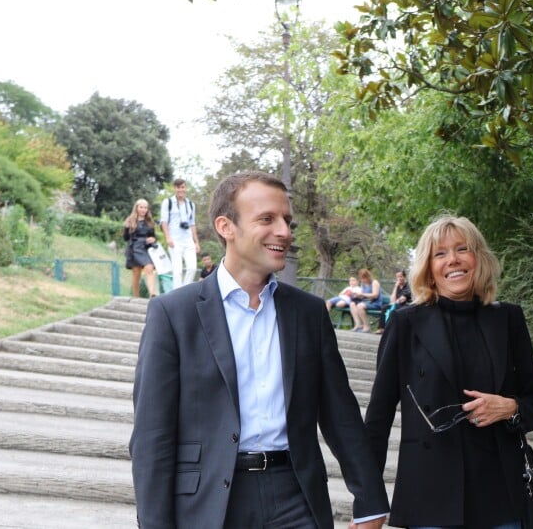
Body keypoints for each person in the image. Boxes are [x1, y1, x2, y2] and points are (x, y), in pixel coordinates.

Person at [130, 171, 389, 529]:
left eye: (286, 220)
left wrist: (371, 499)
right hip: (209, 502)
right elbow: (152, 437)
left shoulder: (309, 313)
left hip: (296, 495)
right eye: (267, 219)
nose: (284, 231)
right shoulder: (172, 314)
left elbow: (340, 414)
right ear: (226, 227)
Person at [364, 214, 533, 529]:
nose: (453, 260)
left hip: (500, 495)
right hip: (429, 496)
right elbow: (378, 420)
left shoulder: (509, 319)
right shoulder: (405, 323)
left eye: (462, 249)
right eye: (441, 253)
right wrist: (367, 502)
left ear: (479, 258)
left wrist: (510, 407)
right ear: (429, 268)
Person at [160, 178, 200, 289]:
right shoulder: (167, 202)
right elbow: (164, 221)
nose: (180, 190)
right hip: (175, 240)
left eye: (182, 187)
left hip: (188, 240)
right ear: (174, 188)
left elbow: (192, 224)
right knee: (177, 271)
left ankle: (184, 291)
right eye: (178, 187)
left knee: (192, 268)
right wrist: (168, 238)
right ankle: (177, 294)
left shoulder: (191, 204)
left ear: (185, 188)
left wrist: (196, 242)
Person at [123, 199, 157, 298]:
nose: (143, 209)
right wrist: (126, 227)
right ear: (137, 208)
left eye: (145, 207)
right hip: (134, 248)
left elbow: (153, 237)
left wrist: (153, 239)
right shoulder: (130, 220)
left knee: (149, 267)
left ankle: (152, 293)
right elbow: (125, 238)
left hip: (145, 248)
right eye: (141, 207)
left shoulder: (149, 221)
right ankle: (135, 297)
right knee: (136, 274)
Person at [375, 269, 411, 334]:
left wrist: (396, 301)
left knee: (395, 308)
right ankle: (382, 328)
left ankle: (392, 330)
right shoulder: (398, 286)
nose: (399, 278)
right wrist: (395, 287)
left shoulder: (408, 286)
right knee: (385, 307)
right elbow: (392, 300)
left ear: (404, 277)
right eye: (397, 277)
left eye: (401, 276)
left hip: (407, 305)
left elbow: (402, 299)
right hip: (397, 304)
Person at [349, 268, 383, 333]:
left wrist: (362, 294)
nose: (363, 280)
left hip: (375, 303)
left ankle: (366, 326)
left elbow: (375, 295)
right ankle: (358, 324)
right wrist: (357, 295)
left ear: (368, 277)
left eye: (364, 278)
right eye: (361, 278)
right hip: (366, 302)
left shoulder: (374, 282)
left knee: (360, 306)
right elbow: (362, 295)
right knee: (352, 304)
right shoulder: (363, 284)